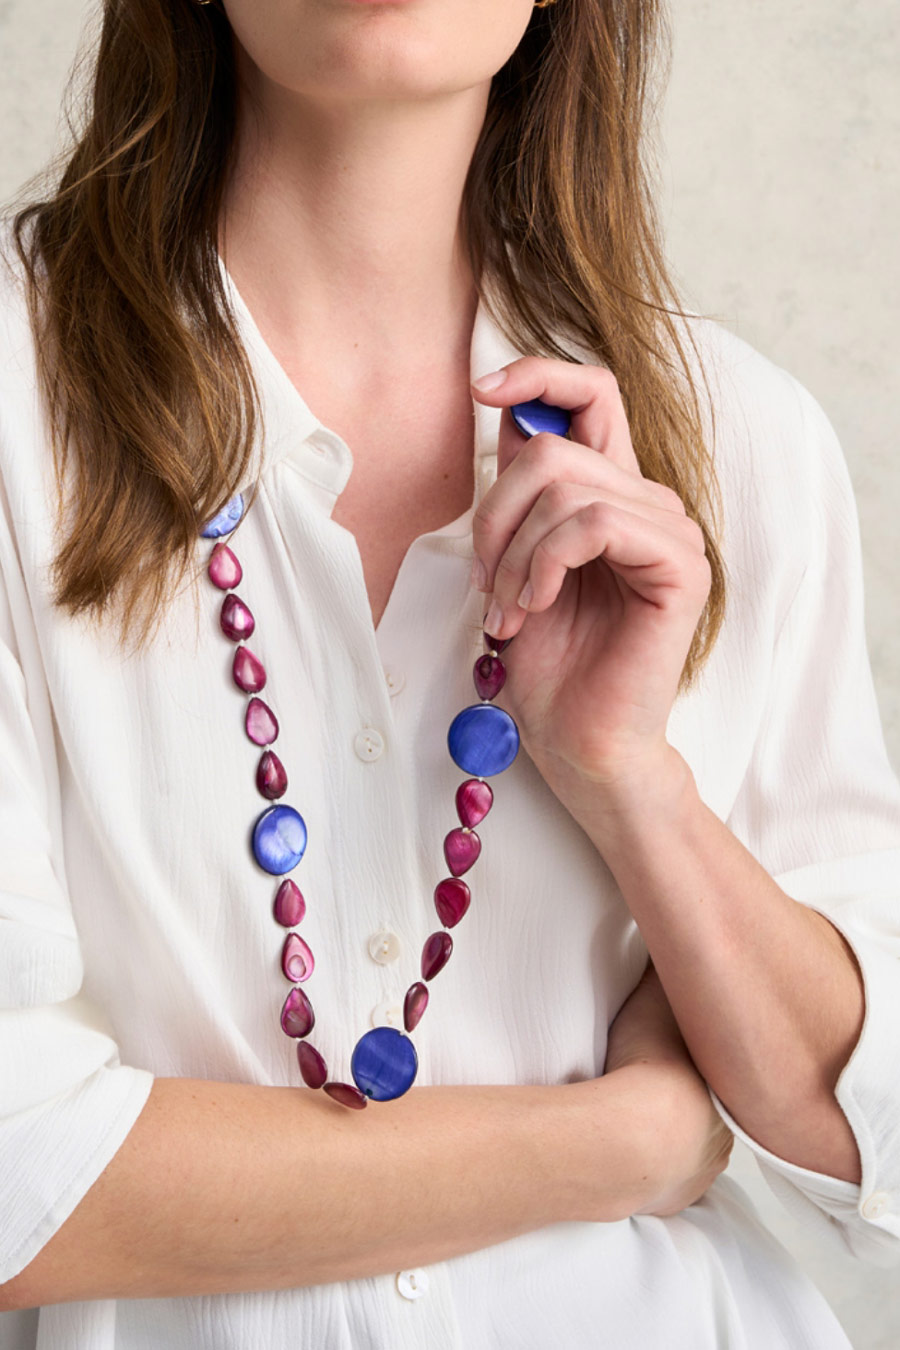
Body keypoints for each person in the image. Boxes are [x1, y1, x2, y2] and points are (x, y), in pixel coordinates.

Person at [0, 0, 898, 1346]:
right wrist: (624, 1140)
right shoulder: (21, 400)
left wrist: (630, 778)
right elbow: (19, 1175)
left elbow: (869, 1151)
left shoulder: (741, 444)